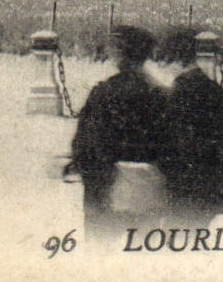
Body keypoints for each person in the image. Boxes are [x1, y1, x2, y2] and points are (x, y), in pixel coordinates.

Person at [67, 26, 169, 242]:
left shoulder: (104, 92)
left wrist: (81, 166)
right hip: (149, 190)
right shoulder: (159, 94)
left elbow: (87, 141)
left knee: (100, 259)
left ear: (120, 55)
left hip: (106, 189)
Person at [156, 29, 223, 229]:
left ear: (177, 60)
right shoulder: (212, 89)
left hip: (185, 190)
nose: (163, 68)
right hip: (211, 188)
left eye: (165, 61)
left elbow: (174, 144)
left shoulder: (180, 92)